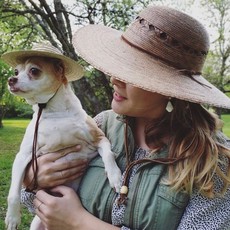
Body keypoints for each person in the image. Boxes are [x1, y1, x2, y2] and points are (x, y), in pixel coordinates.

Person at [21, 5, 230, 230]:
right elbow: (31, 200)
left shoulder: (211, 159)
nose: (114, 79)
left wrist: (78, 222)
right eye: (119, 66)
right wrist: (34, 177)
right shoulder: (101, 126)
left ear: (170, 88)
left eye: (132, 71)